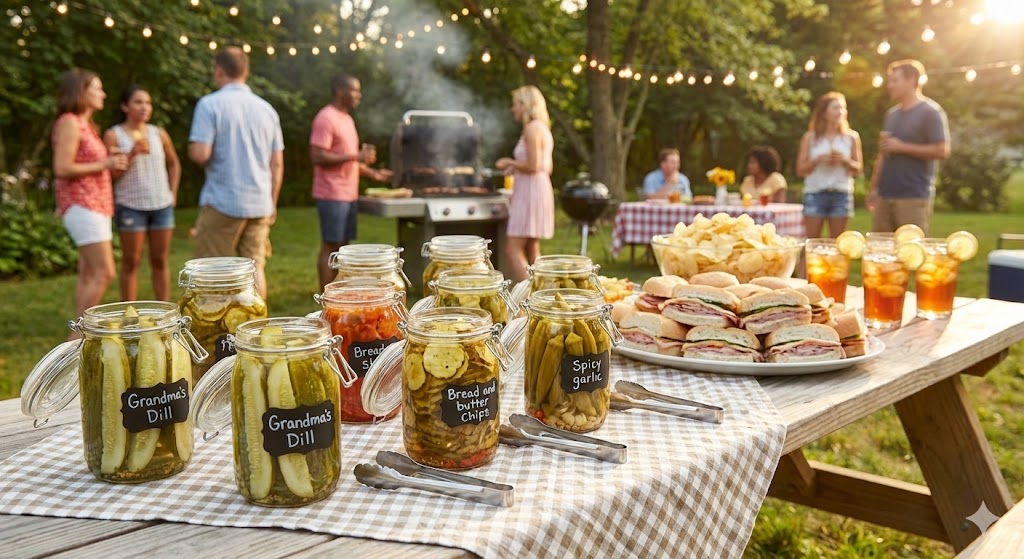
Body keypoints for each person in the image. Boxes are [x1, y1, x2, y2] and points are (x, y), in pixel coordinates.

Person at [188, 46, 284, 297]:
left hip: (223, 201)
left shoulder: (210, 105)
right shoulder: (267, 110)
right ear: (245, 72)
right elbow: (277, 163)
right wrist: (272, 202)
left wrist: (192, 149)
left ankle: (214, 334)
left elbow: (201, 154)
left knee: (211, 273)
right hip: (260, 203)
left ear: (219, 71)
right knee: (255, 270)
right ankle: (258, 332)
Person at [51, 69, 129, 326]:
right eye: (97, 88)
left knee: (87, 273)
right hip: (82, 204)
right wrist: (105, 162)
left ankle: (79, 334)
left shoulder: (85, 125)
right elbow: (62, 167)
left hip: (95, 205)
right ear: (81, 92)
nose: (103, 93)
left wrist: (108, 162)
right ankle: (79, 335)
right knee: (104, 272)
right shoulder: (70, 122)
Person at [310, 75, 393, 289]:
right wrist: (356, 157)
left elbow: (349, 159)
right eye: (354, 90)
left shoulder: (346, 119)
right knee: (331, 245)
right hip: (331, 193)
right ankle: (326, 296)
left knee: (343, 248)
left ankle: (340, 294)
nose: (359, 95)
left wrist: (374, 174)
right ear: (339, 90)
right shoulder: (326, 118)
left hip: (348, 194)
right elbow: (317, 155)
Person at [104, 85, 181, 301]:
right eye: (138, 102)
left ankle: (165, 312)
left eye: (148, 103)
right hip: (130, 205)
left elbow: (174, 164)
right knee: (131, 261)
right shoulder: (114, 135)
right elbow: (110, 175)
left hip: (161, 205)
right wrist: (131, 154)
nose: (144, 107)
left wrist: (172, 193)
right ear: (125, 106)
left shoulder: (159, 134)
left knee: (160, 259)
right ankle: (130, 315)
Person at [867, 59, 950, 235]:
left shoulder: (931, 112)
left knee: (910, 252)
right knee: (881, 254)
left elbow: (942, 150)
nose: (890, 86)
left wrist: (902, 147)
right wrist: (874, 188)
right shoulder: (892, 115)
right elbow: (883, 154)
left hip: (913, 197)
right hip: (884, 195)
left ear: (912, 80)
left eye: (895, 80)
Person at [496, 85, 555, 283]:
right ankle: (541, 296)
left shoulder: (531, 129)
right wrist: (518, 168)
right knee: (532, 248)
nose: (513, 109)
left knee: (512, 249)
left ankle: (525, 299)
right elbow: (547, 167)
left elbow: (534, 164)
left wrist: (509, 162)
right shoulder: (543, 128)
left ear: (525, 104)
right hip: (540, 188)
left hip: (529, 192)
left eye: (515, 105)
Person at [796, 92, 863, 238]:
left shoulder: (851, 137)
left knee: (838, 244)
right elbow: (800, 170)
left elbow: (858, 169)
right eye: (836, 108)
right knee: (812, 243)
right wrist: (817, 161)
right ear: (824, 112)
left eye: (843, 108)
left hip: (841, 194)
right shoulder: (810, 138)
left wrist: (845, 161)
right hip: (815, 193)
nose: (841, 112)